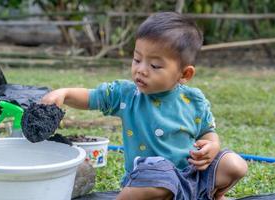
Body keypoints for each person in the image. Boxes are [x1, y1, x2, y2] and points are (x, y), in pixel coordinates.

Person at [42, 12, 248, 200]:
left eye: (154, 65)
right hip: (151, 180)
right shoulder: (126, 94)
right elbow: (91, 97)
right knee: (159, 171)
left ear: (184, 74)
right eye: (137, 59)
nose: (141, 70)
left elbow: (206, 131)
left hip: (192, 176)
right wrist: (65, 93)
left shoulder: (194, 100)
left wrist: (212, 145)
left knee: (235, 165)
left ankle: (212, 195)